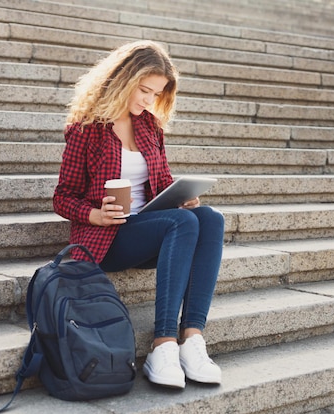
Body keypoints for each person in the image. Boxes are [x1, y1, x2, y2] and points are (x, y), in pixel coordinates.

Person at [53, 40, 224, 389]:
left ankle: (192, 339)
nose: (149, 100)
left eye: (156, 94)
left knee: (209, 218)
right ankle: (163, 345)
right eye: (144, 90)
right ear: (122, 79)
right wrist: (94, 214)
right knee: (183, 222)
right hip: (105, 239)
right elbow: (62, 197)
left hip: (150, 229)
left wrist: (180, 196)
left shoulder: (150, 127)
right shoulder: (87, 127)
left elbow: (161, 184)